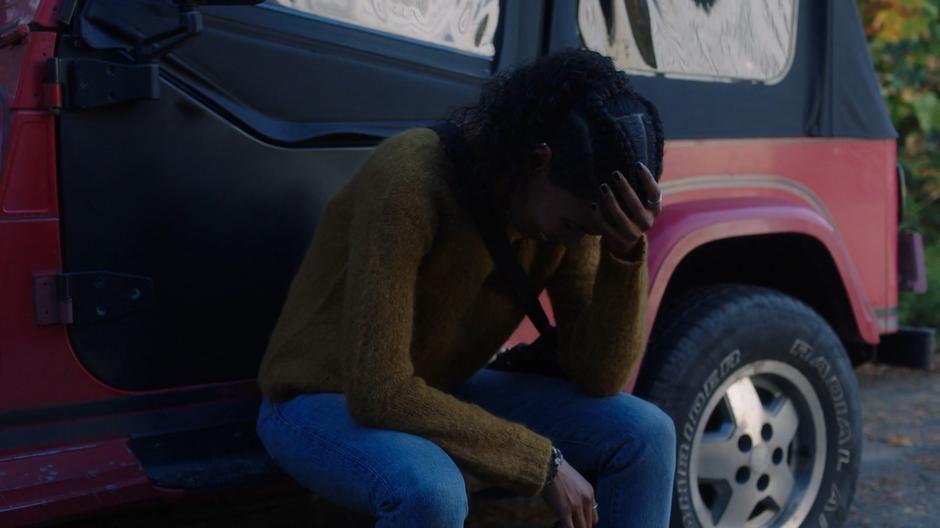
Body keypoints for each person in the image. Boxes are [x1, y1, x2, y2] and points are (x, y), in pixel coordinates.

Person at [255, 48, 677, 528]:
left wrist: (625, 254)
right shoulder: (410, 178)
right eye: (578, 224)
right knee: (432, 491)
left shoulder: (573, 216)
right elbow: (380, 394)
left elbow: (599, 378)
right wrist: (544, 462)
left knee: (647, 434)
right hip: (319, 397)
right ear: (540, 161)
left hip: (438, 387)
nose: (581, 240)